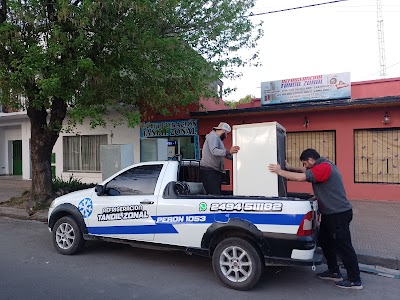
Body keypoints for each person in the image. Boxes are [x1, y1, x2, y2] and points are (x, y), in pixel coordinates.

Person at [268, 148, 363, 290]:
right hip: (330, 214)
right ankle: (334, 271)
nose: (305, 166)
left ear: (312, 161)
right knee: (325, 240)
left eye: (306, 164)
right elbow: (303, 171)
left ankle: (355, 280)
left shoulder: (323, 168)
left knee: (343, 246)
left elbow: (301, 177)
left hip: (338, 214)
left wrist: (279, 171)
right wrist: (289, 167)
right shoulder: (324, 164)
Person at [200, 122, 240, 195]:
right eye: (227, 133)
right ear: (223, 131)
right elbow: (214, 151)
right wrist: (229, 151)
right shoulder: (213, 137)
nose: (226, 136)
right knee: (214, 194)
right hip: (210, 171)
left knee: (215, 194)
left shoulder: (217, 139)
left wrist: (235, 158)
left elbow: (223, 153)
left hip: (213, 171)